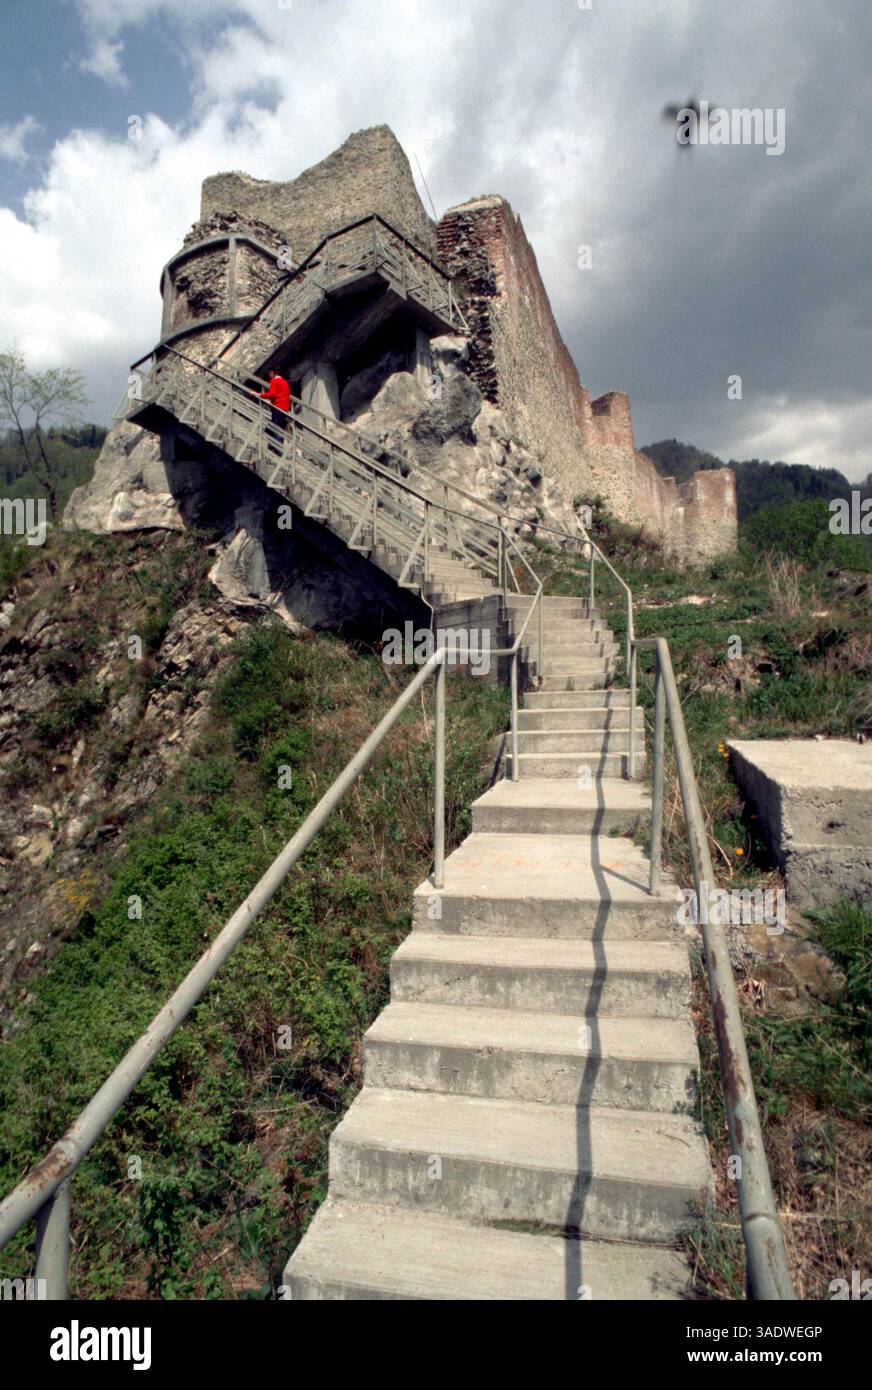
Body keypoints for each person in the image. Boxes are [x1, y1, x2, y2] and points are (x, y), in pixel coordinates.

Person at [259, 369, 291, 452]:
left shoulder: (274, 381)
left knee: (276, 428)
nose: (269, 375)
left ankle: (277, 450)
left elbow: (272, 394)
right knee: (275, 427)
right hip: (284, 409)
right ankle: (273, 447)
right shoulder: (285, 382)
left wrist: (260, 394)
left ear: (274, 373)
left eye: (270, 373)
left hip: (277, 408)